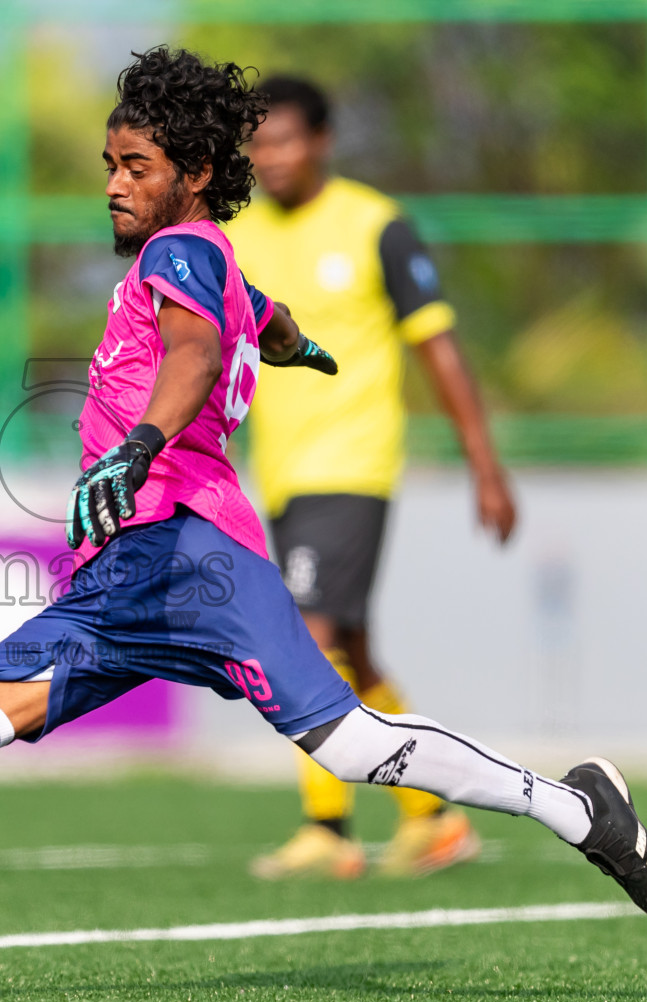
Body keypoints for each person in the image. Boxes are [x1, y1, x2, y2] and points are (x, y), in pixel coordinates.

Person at [0, 47, 647, 1002]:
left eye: (138, 169)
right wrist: (296, 347)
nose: (117, 188)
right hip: (129, 574)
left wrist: (141, 444)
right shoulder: (221, 264)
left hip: (188, 550)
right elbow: (264, 317)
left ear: (196, 175)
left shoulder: (180, 253)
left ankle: (578, 809)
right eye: (110, 168)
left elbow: (198, 348)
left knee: (345, 742)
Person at [226, 75, 518, 881]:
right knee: (351, 645)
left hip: (351, 466)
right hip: (281, 475)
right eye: (258, 144)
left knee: (305, 638)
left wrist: (484, 466)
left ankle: (328, 828)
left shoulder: (374, 225)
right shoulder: (239, 235)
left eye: (285, 140)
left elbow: (439, 345)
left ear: (321, 141)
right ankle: (433, 819)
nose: (271, 157)